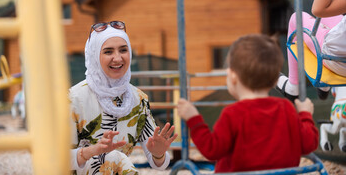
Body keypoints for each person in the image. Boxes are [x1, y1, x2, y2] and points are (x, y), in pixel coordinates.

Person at [177, 34, 319, 173]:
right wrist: (305, 114)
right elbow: (308, 144)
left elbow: (212, 149)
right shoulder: (286, 108)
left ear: (233, 76)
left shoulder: (233, 114)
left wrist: (193, 119)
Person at [69, 21, 177, 174]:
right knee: (114, 157)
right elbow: (55, 159)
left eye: (123, 50)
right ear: (94, 56)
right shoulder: (74, 98)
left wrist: (158, 153)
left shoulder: (138, 99)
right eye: (108, 52)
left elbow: (159, 163)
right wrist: (91, 151)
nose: (118, 58)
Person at [277, 0, 346, 101]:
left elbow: (318, 9)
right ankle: (323, 86)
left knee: (297, 18)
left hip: (334, 58)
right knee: (329, 17)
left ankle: (293, 86)